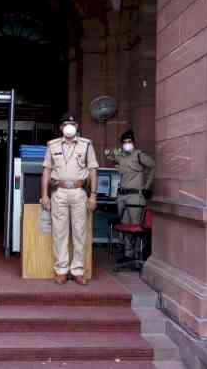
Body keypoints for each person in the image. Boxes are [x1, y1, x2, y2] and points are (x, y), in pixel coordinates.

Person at [41, 113, 99, 286]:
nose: (69, 126)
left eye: (72, 123)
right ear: (61, 127)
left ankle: (78, 271)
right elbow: (46, 171)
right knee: (59, 233)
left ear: (77, 126)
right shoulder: (52, 145)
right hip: (59, 192)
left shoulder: (86, 145)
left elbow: (93, 171)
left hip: (79, 192)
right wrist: (44, 195)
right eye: (66, 123)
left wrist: (93, 195)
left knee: (80, 232)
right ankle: (61, 271)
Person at [105, 129, 155, 263]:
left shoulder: (139, 155)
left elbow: (153, 166)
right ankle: (129, 254)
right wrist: (110, 152)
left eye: (129, 142)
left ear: (133, 142)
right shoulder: (121, 156)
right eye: (124, 142)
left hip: (135, 196)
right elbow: (109, 155)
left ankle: (140, 254)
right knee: (125, 226)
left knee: (137, 226)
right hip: (122, 196)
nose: (127, 144)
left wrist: (147, 186)